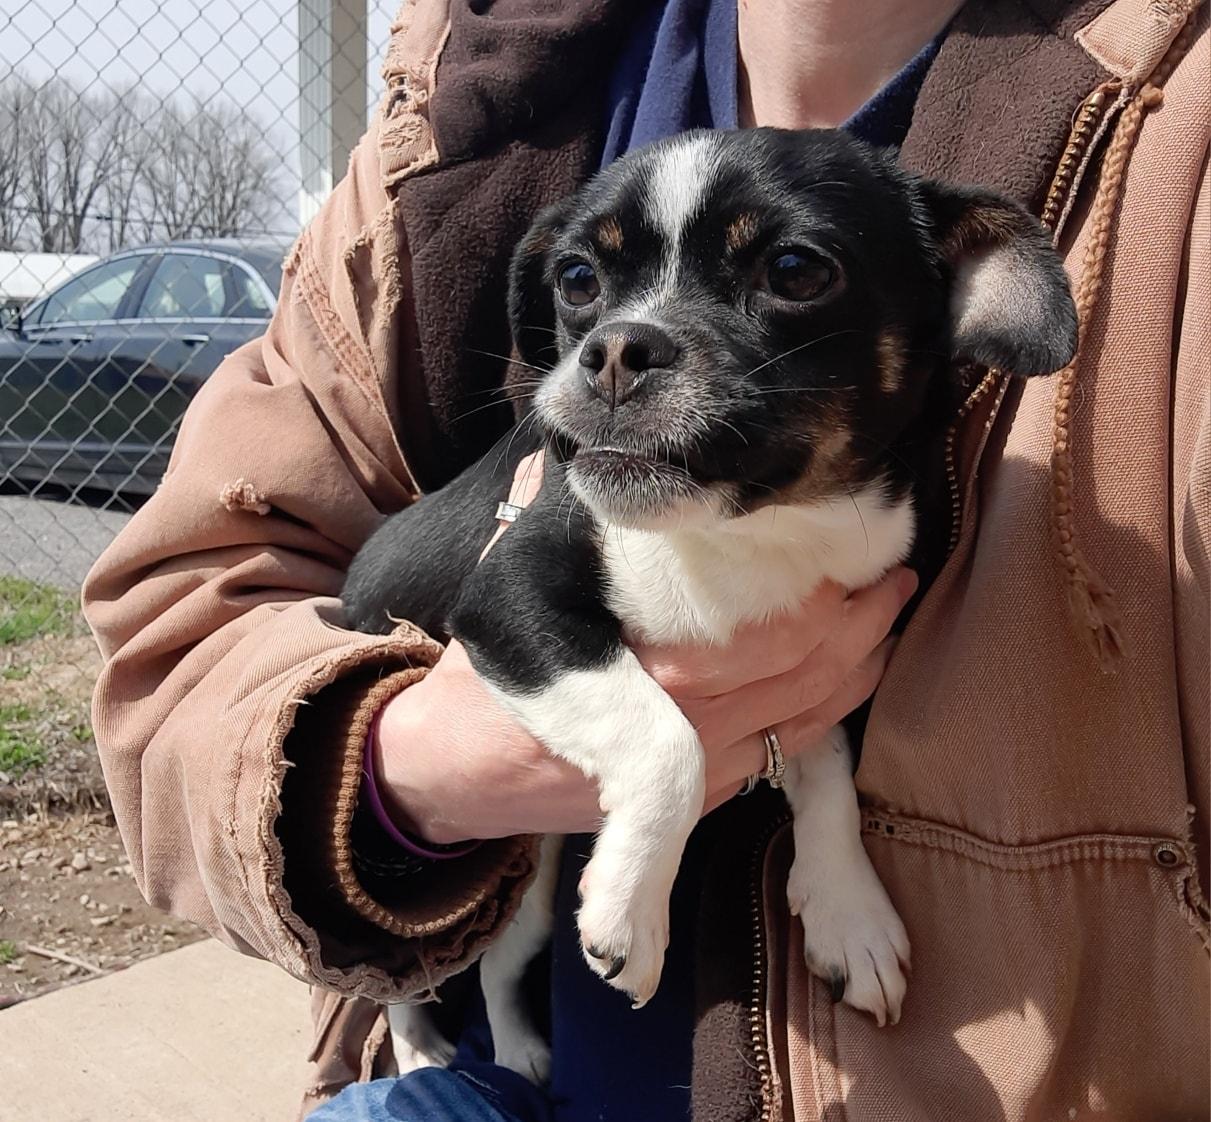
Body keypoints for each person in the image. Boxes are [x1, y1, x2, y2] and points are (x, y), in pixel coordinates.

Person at [81, 0, 1209, 1119]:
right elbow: (180, 625)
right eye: (584, 290)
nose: (619, 347)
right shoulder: (466, 112)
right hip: (463, 1055)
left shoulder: (1170, 147)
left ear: (963, 292)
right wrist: (395, 770)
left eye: (791, 275)